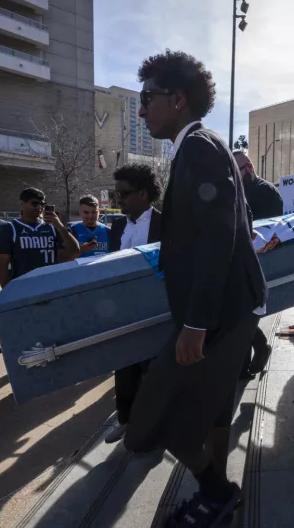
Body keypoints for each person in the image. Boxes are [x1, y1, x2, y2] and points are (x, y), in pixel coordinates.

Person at [123, 49, 267, 527]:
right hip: (216, 311)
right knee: (168, 420)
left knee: (159, 419)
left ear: (178, 99)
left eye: (148, 98)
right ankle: (217, 493)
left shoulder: (200, 147)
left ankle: (217, 496)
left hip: (219, 314)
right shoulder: (194, 147)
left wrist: (195, 324)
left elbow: (218, 233)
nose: (142, 109)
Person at [102, 163, 163, 445]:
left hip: (155, 311)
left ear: (142, 193)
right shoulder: (116, 226)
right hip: (121, 310)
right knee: (123, 368)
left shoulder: (166, 224)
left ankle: (153, 427)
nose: (117, 201)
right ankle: (125, 419)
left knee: (152, 372)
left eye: (122, 195)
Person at [233, 149, 282, 378]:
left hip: (258, 260)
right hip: (243, 260)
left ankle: (258, 349)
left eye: (237, 171)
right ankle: (247, 361)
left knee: (243, 312)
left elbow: (267, 230)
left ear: (249, 168)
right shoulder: (240, 192)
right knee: (240, 313)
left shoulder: (265, 192)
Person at [0, 188, 80, 286]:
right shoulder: (10, 228)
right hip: (22, 285)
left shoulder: (53, 226)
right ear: (22, 203)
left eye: (42, 204)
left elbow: (75, 250)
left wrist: (60, 227)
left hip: (50, 283)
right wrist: (7, 291)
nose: (39, 207)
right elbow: (2, 263)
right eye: (35, 204)